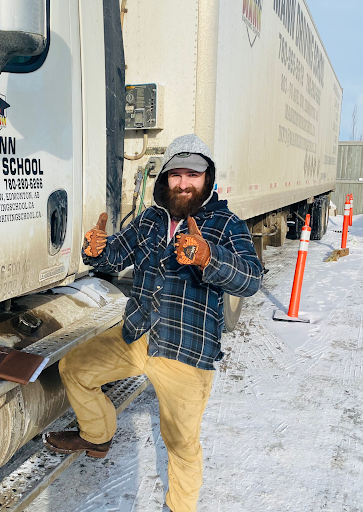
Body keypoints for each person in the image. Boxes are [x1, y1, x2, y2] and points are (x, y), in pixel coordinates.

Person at [43, 134, 263, 512]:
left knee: (180, 444)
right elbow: (115, 255)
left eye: (193, 175)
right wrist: (96, 249)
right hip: (137, 333)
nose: (183, 183)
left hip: (186, 351)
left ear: (207, 179)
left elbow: (251, 278)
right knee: (75, 367)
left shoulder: (226, 225)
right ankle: (97, 436)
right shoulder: (149, 219)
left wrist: (209, 256)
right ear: (164, 179)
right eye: (176, 174)